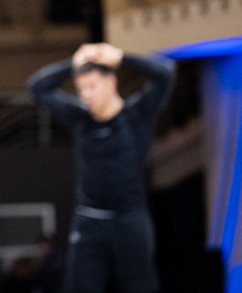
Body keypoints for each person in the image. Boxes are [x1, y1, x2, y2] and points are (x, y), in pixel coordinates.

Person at [27, 42, 176, 293]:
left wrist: (120, 57)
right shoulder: (80, 118)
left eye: (92, 86)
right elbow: (37, 86)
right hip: (89, 221)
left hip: (130, 219)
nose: (85, 95)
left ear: (111, 82)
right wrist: (73, 64)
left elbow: (166, 73)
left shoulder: (136, 115)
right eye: (81, 88)